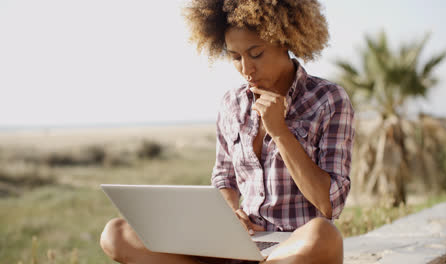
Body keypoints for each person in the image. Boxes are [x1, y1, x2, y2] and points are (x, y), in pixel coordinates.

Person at [99, 0, 355, 263]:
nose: (246, 69)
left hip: (292, 246)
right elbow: (224, 177)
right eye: (235, 57)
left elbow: (329, 204)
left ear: (285, 41)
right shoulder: (232, 103)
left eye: (256, 54)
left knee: (324, 236)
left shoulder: (328, 99)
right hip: (239, 243)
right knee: (116, 233)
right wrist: (232, 215)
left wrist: (280, 133)